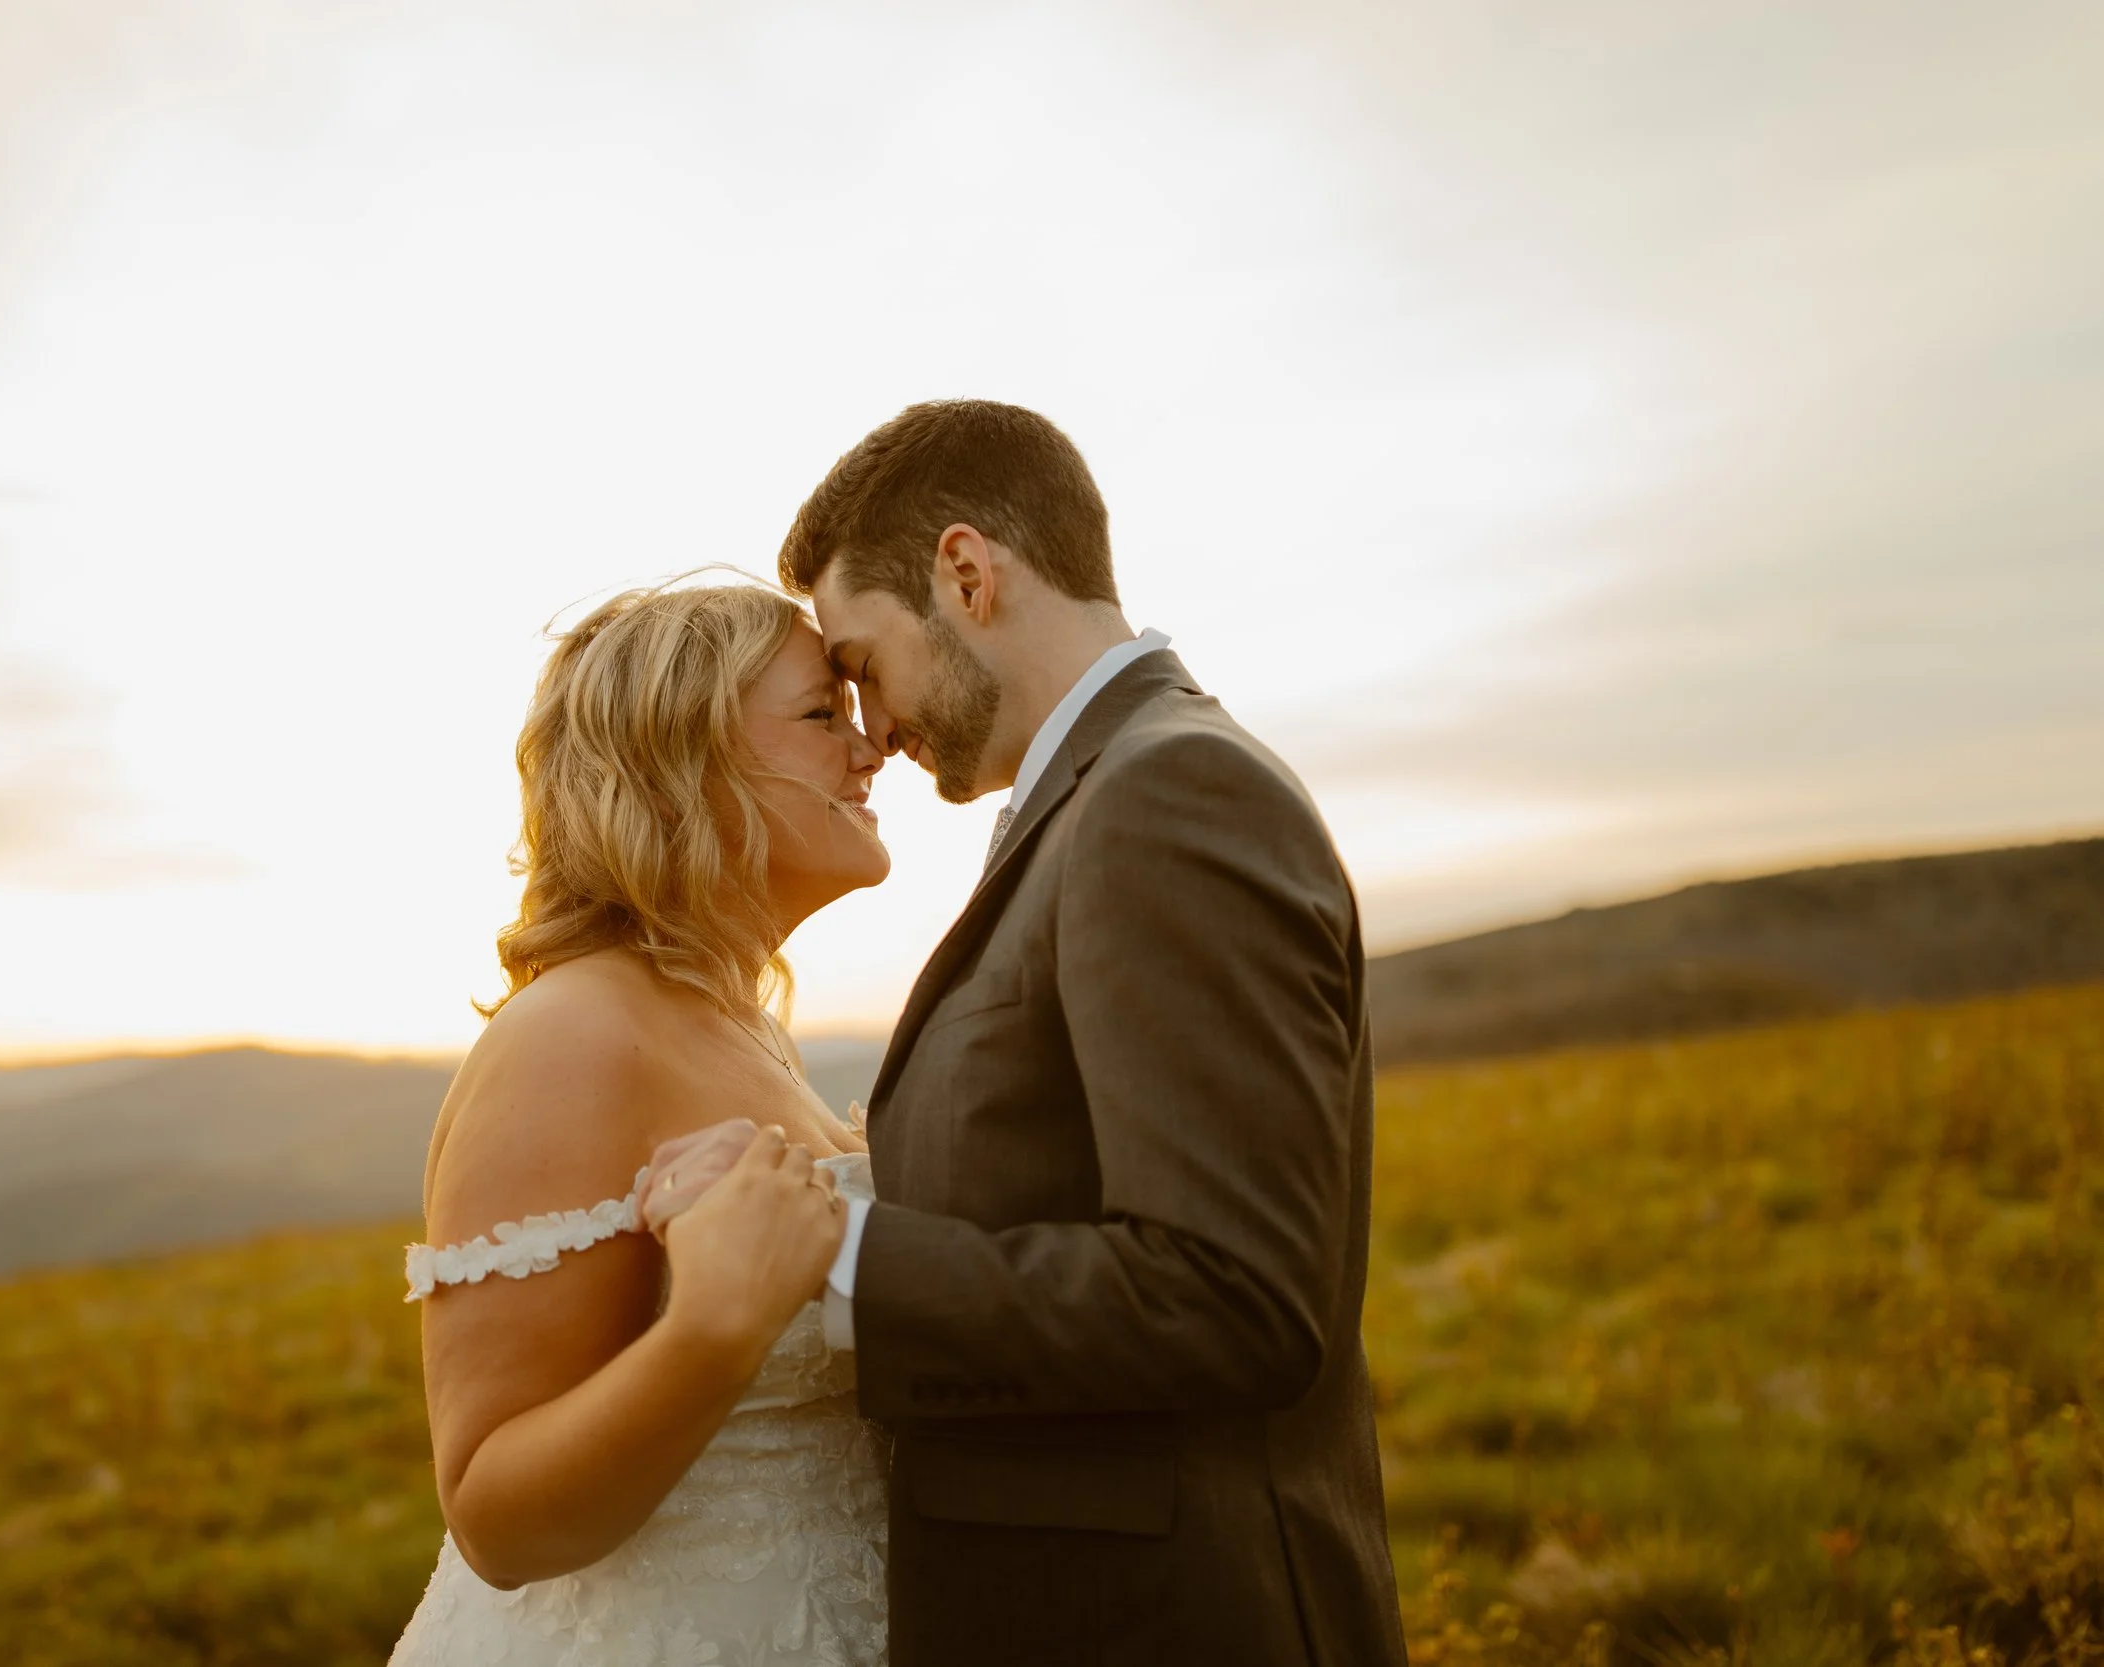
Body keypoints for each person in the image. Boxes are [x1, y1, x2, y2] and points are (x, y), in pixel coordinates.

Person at [643, 400, 1410, 1665]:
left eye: (864, 660)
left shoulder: (1168, 792)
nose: (871, 725)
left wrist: (839, 1245)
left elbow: (1235, 1296)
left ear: (965, 573)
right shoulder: (1103, 792)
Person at [386, 581, 893, 1666]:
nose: (868, 749)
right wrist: (714, 1322)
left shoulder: (743, 1029)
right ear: (683, 761)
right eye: (820, 715)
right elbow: (493, 1513)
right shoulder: (572, 1033)